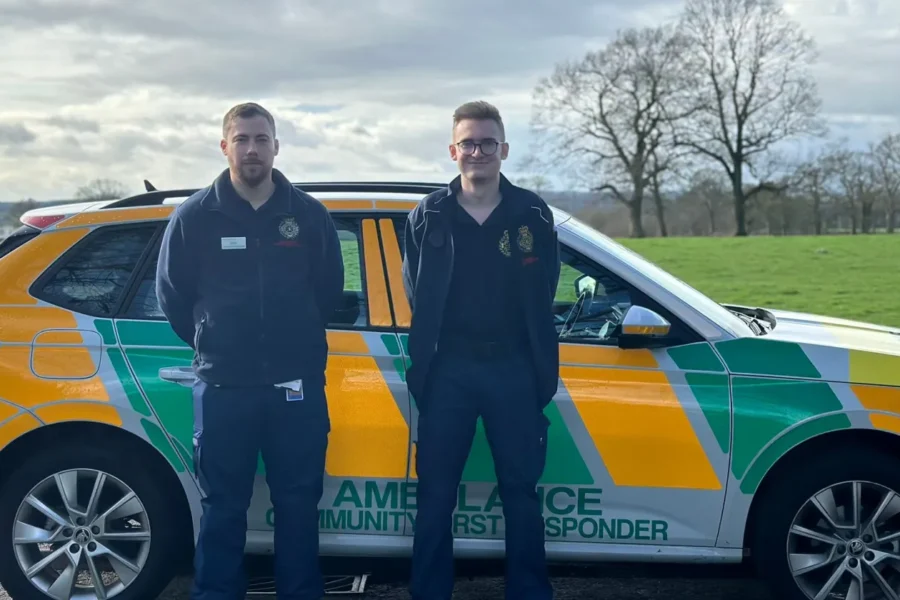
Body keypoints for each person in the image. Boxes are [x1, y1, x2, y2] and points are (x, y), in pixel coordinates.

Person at [156, 102, 344, 600]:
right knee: (222, 507)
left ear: (277, 146)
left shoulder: (307, 216)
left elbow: (328, 292)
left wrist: (294, 340)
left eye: (262, 139)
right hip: (224, 389)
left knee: (299, 505)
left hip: (295, 385)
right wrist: (213, 341)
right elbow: (174, 297)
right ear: (225, 146)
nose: (252, 148)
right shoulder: (195, 217)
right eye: (242, 139)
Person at [401, 100, 561, 600]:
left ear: (504, 150)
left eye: (487, 143)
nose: (477, 152)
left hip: (513, 367)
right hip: (448, 369)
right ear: (453, 151)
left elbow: (546, 285)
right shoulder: (428, 215)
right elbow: (415, 289)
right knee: (434, 495)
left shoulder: (531, 213)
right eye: (468, 143)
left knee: (521, 493)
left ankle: (529, 593)